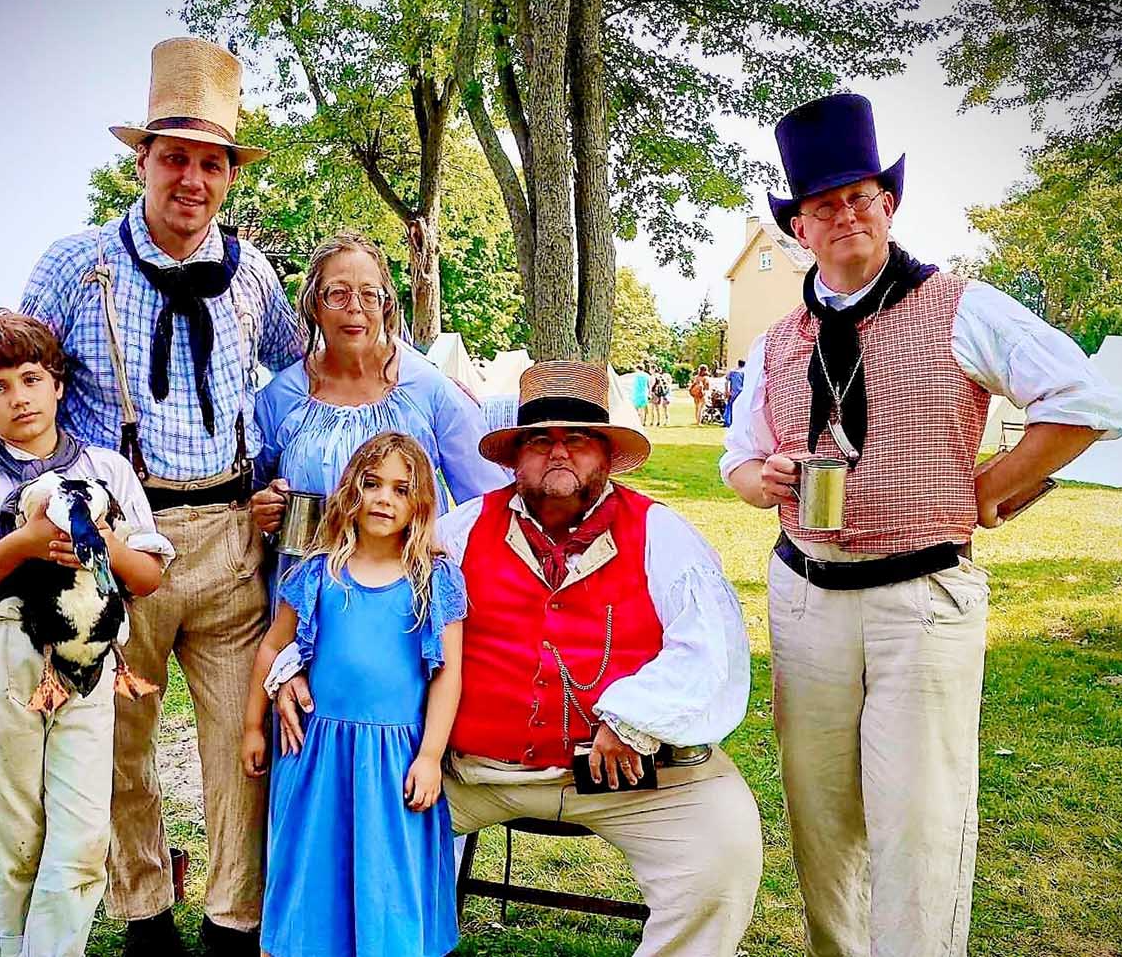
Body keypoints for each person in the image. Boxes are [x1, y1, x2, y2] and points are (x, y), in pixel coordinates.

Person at [0, 38, 302, 956]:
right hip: (111, 537)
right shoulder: (76, 263)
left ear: (231, 176)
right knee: (116, 738)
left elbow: (296, 376)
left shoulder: (254, 274)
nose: (192, 180)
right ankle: (144, 914)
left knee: (240, 747)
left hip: (231, 533)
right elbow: (6, 375)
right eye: (174, 158)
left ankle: (235, 921)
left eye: (211, 164)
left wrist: (325, 452)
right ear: (142, 161)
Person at [721, 93, 1122, 956]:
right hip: (805, 597)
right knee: (821, 813)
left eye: (860, 197)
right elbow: (740, 463)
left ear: (889, 206)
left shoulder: (960, 307)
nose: (846, 216)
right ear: (800, 228)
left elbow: (1084, 401)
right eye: (825, 205)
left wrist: (987, 489)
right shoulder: (778, 341)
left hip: (922, 599)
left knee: (920, 816)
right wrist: (766, 478)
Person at [276, 361, 762, 957]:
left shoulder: (662, 535)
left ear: (606, 455)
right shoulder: (460, 532)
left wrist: (634, 719)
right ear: (513, 458)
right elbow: (362, 595)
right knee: (344, 820)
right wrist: (290, 666)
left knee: (723, 851)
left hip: (625, 780)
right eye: (539, 441)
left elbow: (711, 650)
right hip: (469, 774)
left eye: (577, 438)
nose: (558, 452)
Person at [0, 311, 174, 957]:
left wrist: (103, 543)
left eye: (31, 379)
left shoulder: (106, 467)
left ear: (58, 384)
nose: (19, 398)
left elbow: (148, 575)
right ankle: (14, 946)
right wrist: (25, 543)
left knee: (85, 832)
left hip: (87, 662)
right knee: (15, 836)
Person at [242, 432, 465, 957]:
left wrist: (429, 756)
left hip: (394, 758)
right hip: (316, 753)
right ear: (350, 491)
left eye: (401, 489)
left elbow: (447, 675)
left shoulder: (433, 581)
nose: (384, 499)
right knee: (314, 868)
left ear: (420, 503)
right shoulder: (318, 574)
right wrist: (253, 725)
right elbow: (272, 646)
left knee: (389, 876)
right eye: (372, 484)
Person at [254, 232, 506, 527]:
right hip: (306, 558)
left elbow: (488, 506)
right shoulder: (280, 398)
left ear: (386, 306)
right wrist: (262, 507)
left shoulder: (431, 389)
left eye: (369, 294)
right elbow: (246, 494)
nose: (355, 307)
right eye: (338, 293)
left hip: (413, 559)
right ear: (314, 305)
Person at [724, 360, 745, 428]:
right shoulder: (744, 372)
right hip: (741, 392)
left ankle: (728, 421)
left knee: (730, 406)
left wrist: (726, 391)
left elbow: (726, 381)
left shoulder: (732, 372)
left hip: (733, 392)